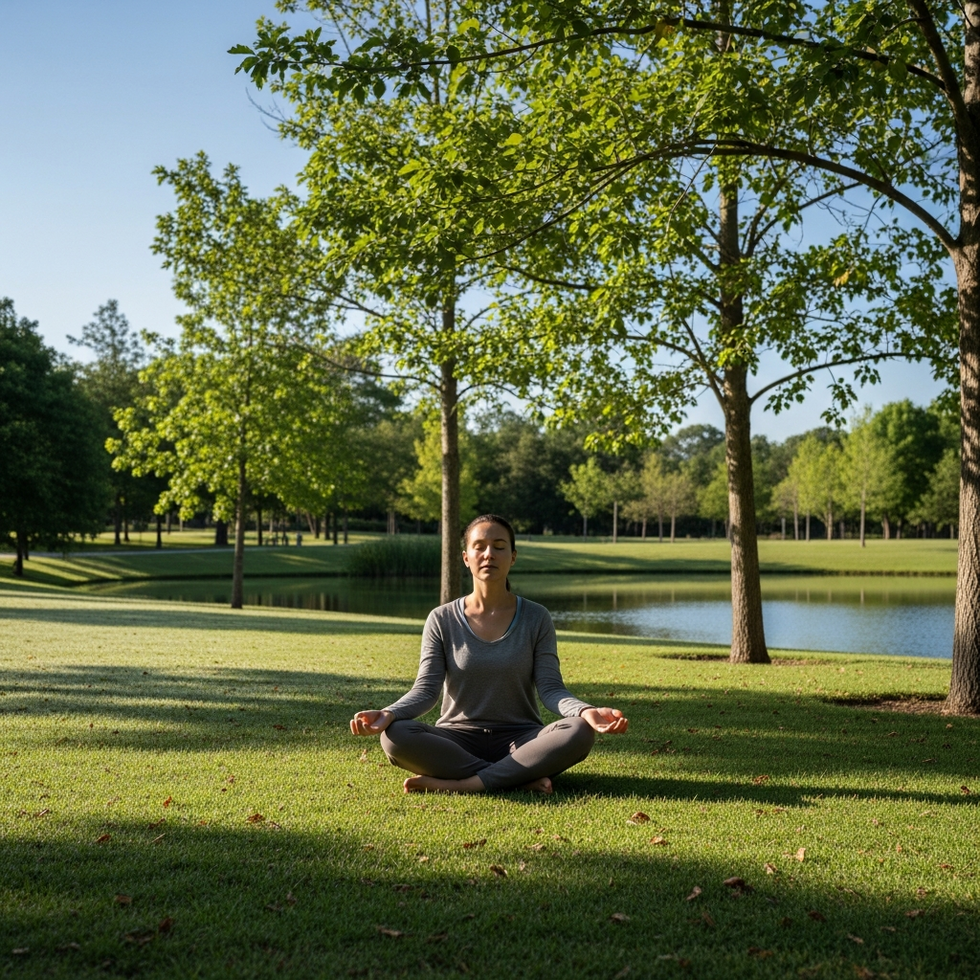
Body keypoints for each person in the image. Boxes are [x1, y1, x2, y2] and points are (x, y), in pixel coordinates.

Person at [350, 514, 628, 794]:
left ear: (513, 556)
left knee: (578, 731)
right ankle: (516, 779)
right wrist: (389, 713)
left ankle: (466, 784)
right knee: (395, 735)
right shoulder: (441, 619)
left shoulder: (536, 617)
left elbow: (551, 689)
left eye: (499, 546)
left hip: (522, 740)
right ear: (466, 557)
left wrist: (586, 710)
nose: (489, 554)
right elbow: (426, 691)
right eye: (479, 546)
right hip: (456, 739)